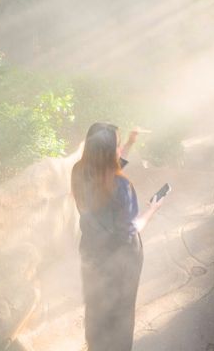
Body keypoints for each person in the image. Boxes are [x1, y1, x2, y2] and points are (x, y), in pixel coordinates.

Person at [70, 123, 165, 351]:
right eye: (118, 144)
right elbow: (132, 228)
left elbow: (106, 170)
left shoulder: (79, 171)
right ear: (112, 152)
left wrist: (131, 143)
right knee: (121, 314)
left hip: (92, 253)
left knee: (96, 307)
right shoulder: (121, 186)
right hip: (121, 260)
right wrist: (153, 208)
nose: (121, 148)